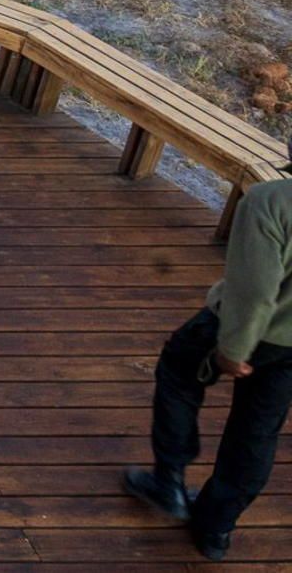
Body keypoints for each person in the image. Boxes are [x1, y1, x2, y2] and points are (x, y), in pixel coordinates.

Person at [124, 139, 292, 561]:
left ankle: (170, 482)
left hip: (241, 330)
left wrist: (233, 349)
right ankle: (215, 529)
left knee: (179, 374)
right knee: (257, 433)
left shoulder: (272, 201)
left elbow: (254, 293)